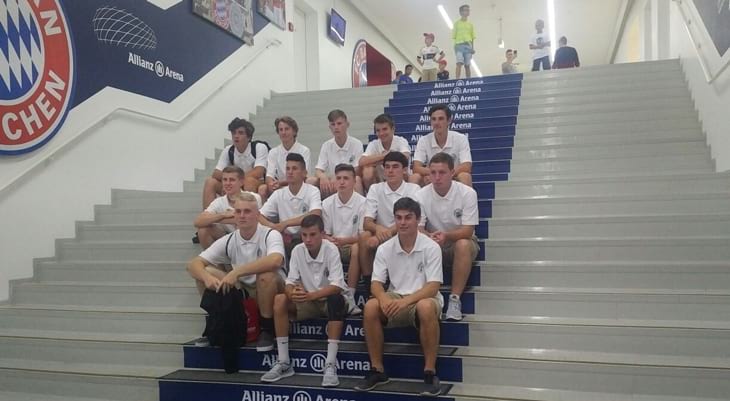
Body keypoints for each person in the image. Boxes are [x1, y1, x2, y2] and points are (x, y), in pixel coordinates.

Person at [353, 197, 443, 397]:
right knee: (370, 306)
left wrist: (405, 301)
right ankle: (377, 370)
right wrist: (384, 299)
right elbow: (376, 283)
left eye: (408, 218)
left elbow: (433, 286)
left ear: (418, 220)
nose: (402, 222)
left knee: (426, 307)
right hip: (396, 295)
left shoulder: (431, 247)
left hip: (422, 297)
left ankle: (430, 372)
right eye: (398, 218)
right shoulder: (385, 248)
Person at [187, 192, 285, 352]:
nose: (242, 216)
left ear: (257, 214)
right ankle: (215, 322)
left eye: (247, 211)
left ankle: (266, 329)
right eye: (238, 211)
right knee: (204, 272)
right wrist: (206, 278)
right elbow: (193, 264)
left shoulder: (270, 234)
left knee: (266, 275)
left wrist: (236, 272)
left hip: (270, 289)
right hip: (243, 289)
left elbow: (275, 260)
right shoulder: (230, 239)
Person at [260, 215, 347, 387]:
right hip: (307, 301)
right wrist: (293, 293)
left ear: (322, 234)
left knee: (336, 299)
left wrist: (310, 295)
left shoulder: (331, 249)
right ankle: (284, 362)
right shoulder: (297, 250)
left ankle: (330, 364)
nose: (308, 239)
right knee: (280, 299)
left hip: (326, 301)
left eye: (313, 234)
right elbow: (290, 282)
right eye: (304, 235)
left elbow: (337, 285)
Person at [415, 153, 479, 321]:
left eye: (442, 172)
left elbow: (467, 230)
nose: (436, 177)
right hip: (433, 241)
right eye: (433, 172)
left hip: (458, 240)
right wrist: (429, 237)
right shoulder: (421, 194)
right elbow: (419, 228)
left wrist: (447, 236)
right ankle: (420, 297)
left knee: (463, 244)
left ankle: (454, 300)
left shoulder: (467, 193)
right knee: (413, 240)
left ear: (452, 173)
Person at [359, 152, 420, 295]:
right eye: (387, 167)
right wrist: (379, 229)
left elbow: (412, 221)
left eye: (395, 167)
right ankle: (369, 287)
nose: (390, 171)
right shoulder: (375, 188)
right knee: (363, 237)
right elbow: (367, 222)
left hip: (403, 233)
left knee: (407, 232)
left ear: (405, 170)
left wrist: (385, 234)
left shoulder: (414, 189)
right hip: (381, 234)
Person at [322, 164, 367, 314]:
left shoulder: (363, 203)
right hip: (333, 244)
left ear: (354, 181)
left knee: (357, 248)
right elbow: (325, 233)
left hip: (352, 244)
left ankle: (350, 297)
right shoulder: (327, 203)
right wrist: (331, 241)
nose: (341, 182)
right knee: (324, 246)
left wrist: (343, 241)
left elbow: (362, 236)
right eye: (339, 178)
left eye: (346, 178)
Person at [260, 153, 322, 259]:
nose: (290, 172)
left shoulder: (312, 190)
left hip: (306, 239)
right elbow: (259, 215)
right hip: (284, 240)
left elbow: (316, 214)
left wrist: (285, 224)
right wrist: (273, 227)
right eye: (287, 168)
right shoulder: (279, 194)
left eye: (294, 168)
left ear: (304, 173)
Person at [202, 118, 268, 208]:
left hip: (257, 182)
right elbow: (216, 173)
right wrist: (231, 182)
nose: (236, 136)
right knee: (210, 182)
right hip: (236, 182)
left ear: (249, 137)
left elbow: (258, 171)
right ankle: (208, 216)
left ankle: (247, 214)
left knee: (249, 181)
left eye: (240, 133)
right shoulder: (228, 150)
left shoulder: (259, 147)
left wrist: (236, 181)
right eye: (234, 133)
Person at [194, 166, 263, 249]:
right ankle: (212, 261)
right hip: (228, 239)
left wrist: (221, 220)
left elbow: (252, 221)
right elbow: (198, 222)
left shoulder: (254, 197)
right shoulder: (219, 202)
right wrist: (223, 215)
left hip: (251, 239)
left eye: (232, 180)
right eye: (225, 180)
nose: (227, 183)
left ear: (241, 182)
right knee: (203, 230)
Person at [410, 104, 473, 187]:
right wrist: (434, 174)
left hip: (453, 177)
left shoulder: (461, 138)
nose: (436, 123)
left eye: (441, 119)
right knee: (414, 177)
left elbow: (466, 166)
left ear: (449, 120)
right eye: (433, 119)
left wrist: (445, 175)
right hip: (432, 178)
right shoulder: (423, 140)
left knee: (465, 176)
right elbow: (416, 168)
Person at [311, 110, 364, 198]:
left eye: (339, 123)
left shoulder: (357, 143)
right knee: (311, 181)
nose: (336, 127)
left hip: (348, 180)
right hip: (332, 182)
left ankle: (361, 209)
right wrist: (323, 177)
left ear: (347, 124)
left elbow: (357, 169)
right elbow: (318, 170)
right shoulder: (326, 145)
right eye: (333, 124)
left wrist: (339, 177)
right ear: (329, 127)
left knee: (357, 179)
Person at [258, 116, 312, 201]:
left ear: (294, 131)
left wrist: (280, 183)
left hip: (298, 184)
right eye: (281, 130)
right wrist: (271, 184)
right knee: (262, 188)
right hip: (279, 186)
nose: (283, 132)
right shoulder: (273, 152)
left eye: (286, 129)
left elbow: (303, 175)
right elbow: (269, 175)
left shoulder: (304, 150)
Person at [359, 113, 411, 192]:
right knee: (367, 172)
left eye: (384, 129)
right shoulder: (374, 144)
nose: (381, 133)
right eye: (378, 130)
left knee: (400, 168)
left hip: (402, 179)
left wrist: (378, 161)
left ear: (393, 129)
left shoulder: (401, 140)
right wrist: (384, 155)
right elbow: (361, 161)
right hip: (381, 180)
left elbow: (405, 157)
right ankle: (373, 196)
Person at [452, 4, 475, 79]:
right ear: (461, 12)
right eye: (466, 10)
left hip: (468, 46)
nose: (468, 11)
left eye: (468, 10)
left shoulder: (471, 24)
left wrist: (472, 48)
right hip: (459, 45)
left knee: (467, 65)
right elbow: (454, 37)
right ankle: (457, 79)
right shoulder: (456, 24)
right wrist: (455, 48)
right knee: (459, 62)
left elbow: (472, 38)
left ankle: (469, 81)